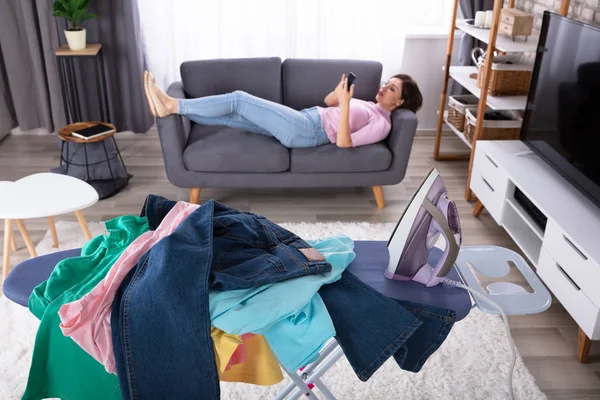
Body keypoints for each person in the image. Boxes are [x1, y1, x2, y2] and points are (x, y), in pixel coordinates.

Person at [143, 71, 422, 149]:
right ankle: (173, 111)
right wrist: (341, 94)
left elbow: (344, 143)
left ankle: (171, 104)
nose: (384, 88)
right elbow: (328, 102)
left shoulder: (382, 123)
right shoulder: (370, 104)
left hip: (308, 131)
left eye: (392, 89)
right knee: (233, 116)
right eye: (388, 83)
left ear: (399, 103)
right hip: (306, 118)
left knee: (239, 99)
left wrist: (348, 104)